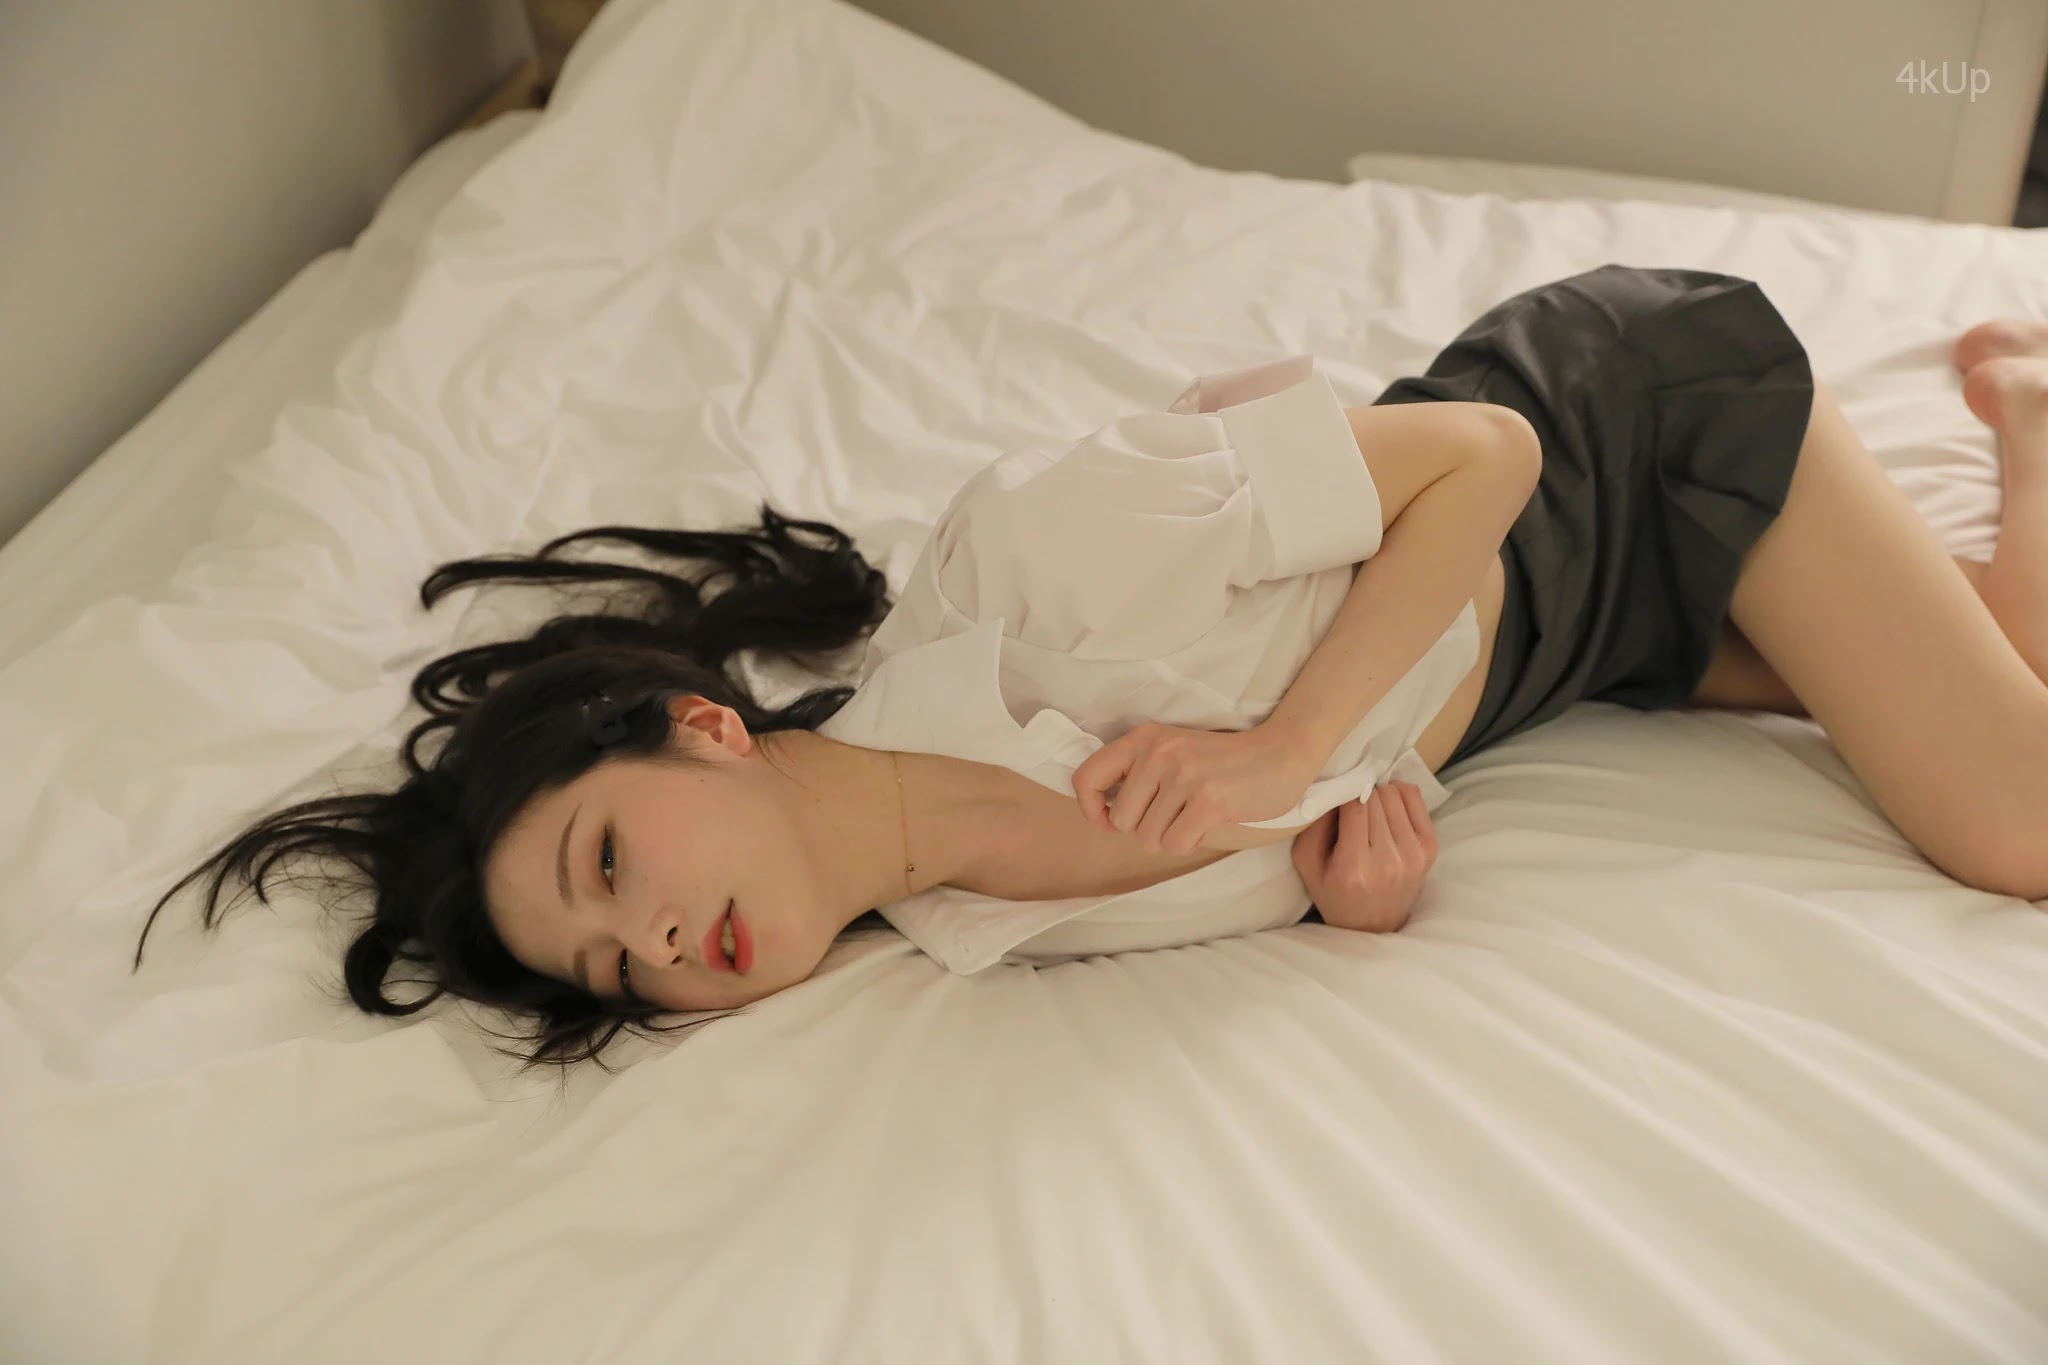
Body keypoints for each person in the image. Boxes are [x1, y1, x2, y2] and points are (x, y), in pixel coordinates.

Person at [132, 264, 2048, 1074]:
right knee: (1993, 656)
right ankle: (2027, 428)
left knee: (2019, 823)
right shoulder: (975, 934)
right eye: (614, 967)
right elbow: (1305, 838)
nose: (654, 941)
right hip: (1555, 650)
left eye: (612, 860)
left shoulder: (1030, 573)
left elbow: (1483, 456)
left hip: (1616, 433)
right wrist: (1358, 893)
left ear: (706, 730)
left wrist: (1287, 741)